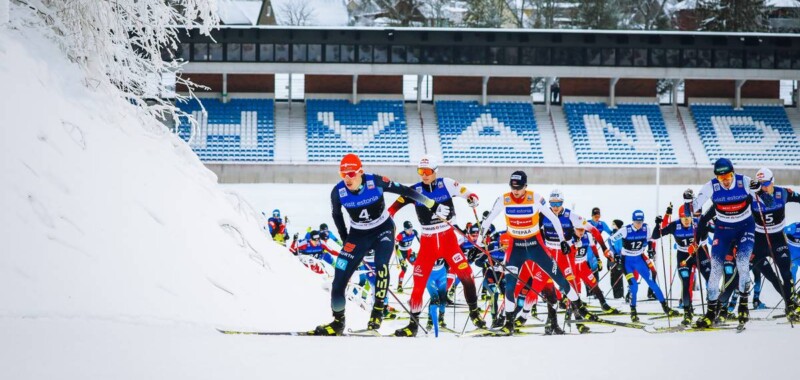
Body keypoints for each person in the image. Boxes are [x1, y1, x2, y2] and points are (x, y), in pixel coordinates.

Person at [313, 153, 444, 336]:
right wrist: (345, 240)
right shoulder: (338, 191)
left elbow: (404, 191)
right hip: (358, 235)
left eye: (351, 174)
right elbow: (336, 215)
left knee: (381, 265)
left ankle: (377, 314)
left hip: (383, 230)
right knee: (339, 279)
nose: (347, 179)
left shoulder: (376, 181)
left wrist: (430, 203)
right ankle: (337, 322)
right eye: (343, 174)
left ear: (360, 172)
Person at [480, 171, 595, 335]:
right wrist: (479, 242)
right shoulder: (504, 199)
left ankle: (579, 309)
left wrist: (562, 240)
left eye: (519, 188)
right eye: (513, 187)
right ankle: (509, 322)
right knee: (510, 287)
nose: (516, 191)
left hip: (536, 248)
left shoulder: (535, 198)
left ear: (525, 186)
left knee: (560, 281)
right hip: (516, 249)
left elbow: (554, 219)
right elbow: (488, 219)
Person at [387, 155, 486, 337]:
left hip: (448, 240)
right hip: (428, 242)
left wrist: (473, 198)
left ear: (435, 171)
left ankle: (475, 315)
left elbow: (467, 193)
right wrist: (388, 218)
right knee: (418, 284)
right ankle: (413, 324)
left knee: (467, 276)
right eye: (420, 172)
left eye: (427, 172)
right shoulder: (414, 190)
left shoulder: (446, 183)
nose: (424, 175)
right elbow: (393, 208)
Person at [688, 158, 757, 328]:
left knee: (742, 263)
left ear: (733, 173)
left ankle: (743, 305)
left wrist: (759, 190)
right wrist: (688, 200)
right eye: (721, 178)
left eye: (728, 176)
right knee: (715, 271)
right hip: (723, 229)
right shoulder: (711, 186)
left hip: (745, 227)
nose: (725, 181)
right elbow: (693, 208)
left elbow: (765, 201)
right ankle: (711, 313)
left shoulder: (744, 181)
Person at [541, 189, 614, 312]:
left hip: (565, 253)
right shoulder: (543, 214)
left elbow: (594, 231)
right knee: (546, 281)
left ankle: (576, 314)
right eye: (552, 203)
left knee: (571, 283)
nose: (555, 207)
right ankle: (551, 317)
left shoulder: (571, 216)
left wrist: (605, 250)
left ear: (562, 203)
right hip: (550, 252)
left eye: (558, 203)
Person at [609, 210, 680, 323]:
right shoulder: (625, 230)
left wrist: (651, 249)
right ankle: (633, 312)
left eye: (641, 222)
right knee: (634, 286)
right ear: (633, 221)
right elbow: (611, 240)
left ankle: (666, 308)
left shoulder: (646, 229)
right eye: (637, 222)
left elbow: (650, 239)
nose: (639, 224)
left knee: (653, 283)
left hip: (639, 259)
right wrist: (615, 254)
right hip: (626, 261)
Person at [750, 168, 800, 321]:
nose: (763, 187)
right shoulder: (751, 195)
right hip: (760, 240)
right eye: (760, 184)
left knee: (786, 273)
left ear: (773, 181)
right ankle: (730, 308)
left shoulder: (783, 193)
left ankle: (791, 305)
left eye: (766, 183)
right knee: (770, 277)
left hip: (778, 238)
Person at [652, 204, 710, 326]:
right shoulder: (674, 225)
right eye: (684, 217)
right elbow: (656, 235)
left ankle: (712, 311)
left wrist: (699, 239)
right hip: (683, 257)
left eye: (689, 217)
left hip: (698, 253)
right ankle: (687, 312)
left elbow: (706, 233)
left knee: (710, 279)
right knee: (685, 282)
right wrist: (657, 224)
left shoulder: (697, 223)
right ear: (680, 217)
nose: (687, 220)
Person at [395, 220, 419, 293]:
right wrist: (400, 258)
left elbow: (421, 240)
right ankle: (399, 286)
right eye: (409, 229)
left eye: (411, 228)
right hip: (401, 253)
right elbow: (395, 247)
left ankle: (417, 284)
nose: (411, 231)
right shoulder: (400, 235)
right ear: (405, 229)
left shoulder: (414, 232)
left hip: (409, 251)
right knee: (404, 269)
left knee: (417, 265)